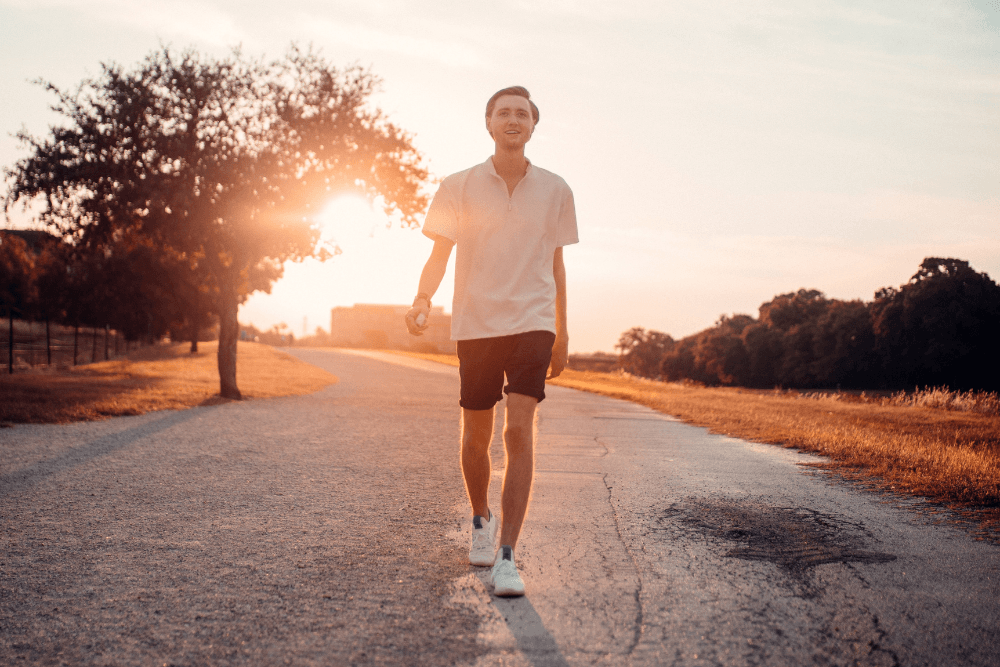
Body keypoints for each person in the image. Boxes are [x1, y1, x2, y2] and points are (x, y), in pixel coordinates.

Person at [405, 86, 578, 597]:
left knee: (519, 434)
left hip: (533, 322)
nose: (512, 119)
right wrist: (422, 297)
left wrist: (563, 331)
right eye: (503, 112)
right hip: (477, 323)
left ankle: (507, 555)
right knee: (476, 434)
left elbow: (557, 264)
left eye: (521, 114)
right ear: (488, 123)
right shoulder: (458, 185)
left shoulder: (555, 189)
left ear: (532, 126)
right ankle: (479, 519)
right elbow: (440, 253)